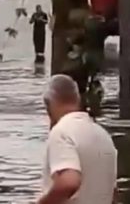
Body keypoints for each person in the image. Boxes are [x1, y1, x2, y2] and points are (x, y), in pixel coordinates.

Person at [38, 75, 118, 204]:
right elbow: (112, 193)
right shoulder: (103, 135)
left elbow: (69, 182)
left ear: (48, 104)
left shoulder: (62, 132)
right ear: (78, 100)